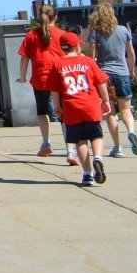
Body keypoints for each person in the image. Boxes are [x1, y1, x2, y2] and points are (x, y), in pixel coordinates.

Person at [47, 31, 111, 187]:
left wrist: (57, 106)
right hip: (91, 104)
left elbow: (54, 89)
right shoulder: (88, 61)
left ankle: (88, 174)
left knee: (80, 140)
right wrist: (106, 100)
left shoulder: (57, 64)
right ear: (76, 46)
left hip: (71, 106)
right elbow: (101, 81)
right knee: (96, 136)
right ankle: (98, 157)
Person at [86, 3, 137, 157]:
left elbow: (91, 54)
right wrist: (132, 70)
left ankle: (118, 147)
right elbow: (131, 53)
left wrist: (92, 70)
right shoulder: (123, 30)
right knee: (126, 109)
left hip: (104, 75)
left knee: (109, 112)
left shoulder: (96, 31)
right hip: (123, 73)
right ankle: (131, 131)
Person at [16, 4, 64, 156]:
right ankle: (70, 149)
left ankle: (46, 143)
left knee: (42, 111)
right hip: (59, 76)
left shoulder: (32, 35)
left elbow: (24, 59)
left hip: (40, 76)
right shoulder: (61, 34)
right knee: (63, 112)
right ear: (55, 17)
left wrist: (23, 77)